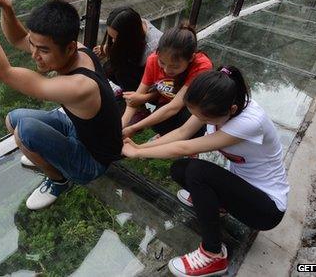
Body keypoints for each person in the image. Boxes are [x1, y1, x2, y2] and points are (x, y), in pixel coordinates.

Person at [0, 0, 122, 211]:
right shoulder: (78, 49)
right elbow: (18, 39)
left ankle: (58, 180)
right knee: (13, 119)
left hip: (92, 160)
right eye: (34, 46)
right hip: (79, 130)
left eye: (43, 50)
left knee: (24, 133)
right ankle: (48, 157)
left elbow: (2, 72)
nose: (34, 54)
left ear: (70, 48)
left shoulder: (79, 86)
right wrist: (7, 7)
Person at [122, 66, 289, 277]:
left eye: (205, 119)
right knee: (180, 170)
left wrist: (137, 154)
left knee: (197, 171)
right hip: (244, 191)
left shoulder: (249, 123)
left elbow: (185, 147)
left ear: (232, 110)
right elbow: (182, 133)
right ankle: (216, 204)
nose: (200, 120)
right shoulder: (216, 103)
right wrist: (139, 148)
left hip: (266, 209)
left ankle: (213, 254)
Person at [121, 25, 212, 138]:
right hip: (168, 101)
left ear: (191, 58)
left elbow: (175, 107)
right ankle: (166, 136)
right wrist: (122, 125)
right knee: (158, 124)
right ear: (157, 53)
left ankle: (187, 142)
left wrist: (134, 127)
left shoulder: (201, 66)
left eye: (175, 66)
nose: (166, 70)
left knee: (188, 120)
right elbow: (134, 99)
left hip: (191, 107)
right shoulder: (153, 60)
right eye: (162, 63)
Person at [93, 7, 162, 93]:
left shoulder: (154, 47)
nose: (113, 41)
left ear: (128, 36)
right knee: (109, 67)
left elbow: (160, 84)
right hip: (137, 64)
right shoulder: (134, 23)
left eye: (116, 39)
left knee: (120, 70)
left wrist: (139, 98)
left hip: (151, 83)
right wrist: (107, 48)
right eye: (112, 38)